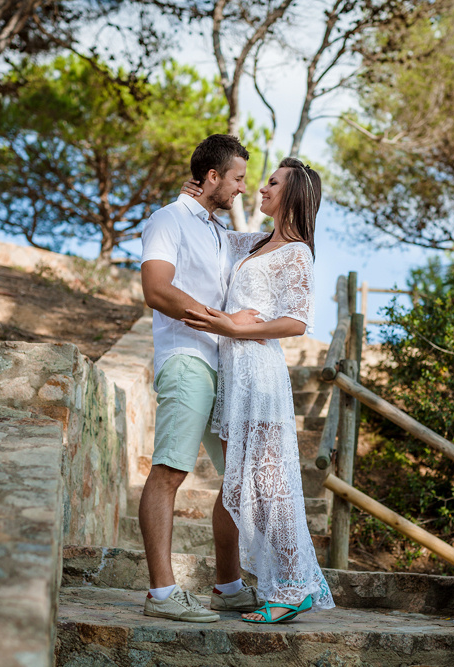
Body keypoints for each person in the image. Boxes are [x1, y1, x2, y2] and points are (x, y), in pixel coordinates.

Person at [182, 157, 335, 623]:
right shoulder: (255, 243)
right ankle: (253, 584)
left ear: (294, 195)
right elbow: (212, 236)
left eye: (273, 183)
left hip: (261, 374)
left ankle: (292, 589)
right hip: (234, 374)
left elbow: (296, 321)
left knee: (270, 482)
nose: (261, 190)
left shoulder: (297, 253)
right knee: (240, 480)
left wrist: (235, 327)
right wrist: (193, 201)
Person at [139, 134, 269, 623]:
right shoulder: (168, 219)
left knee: (237, 476)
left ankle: (228, 587)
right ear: (212, 176)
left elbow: (273, 242)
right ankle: (161, 594)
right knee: (170, 470)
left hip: (223, 366)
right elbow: (156, 289)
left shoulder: (219, 232)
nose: (243, 188)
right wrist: (222, 320)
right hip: (186, 359)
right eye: (237, 178)